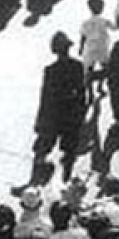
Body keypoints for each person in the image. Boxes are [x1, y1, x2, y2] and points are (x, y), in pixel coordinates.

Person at [34, 32, 88, 181]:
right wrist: (81, 114)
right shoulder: (77, 66)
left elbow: (45, 98)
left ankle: (36, 178)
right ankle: (66, 178)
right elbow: (82, 93)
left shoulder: (50, 70)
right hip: (71, 114)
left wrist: (40, 120)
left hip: (54, 115)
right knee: (69, 150)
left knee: (43, 147)